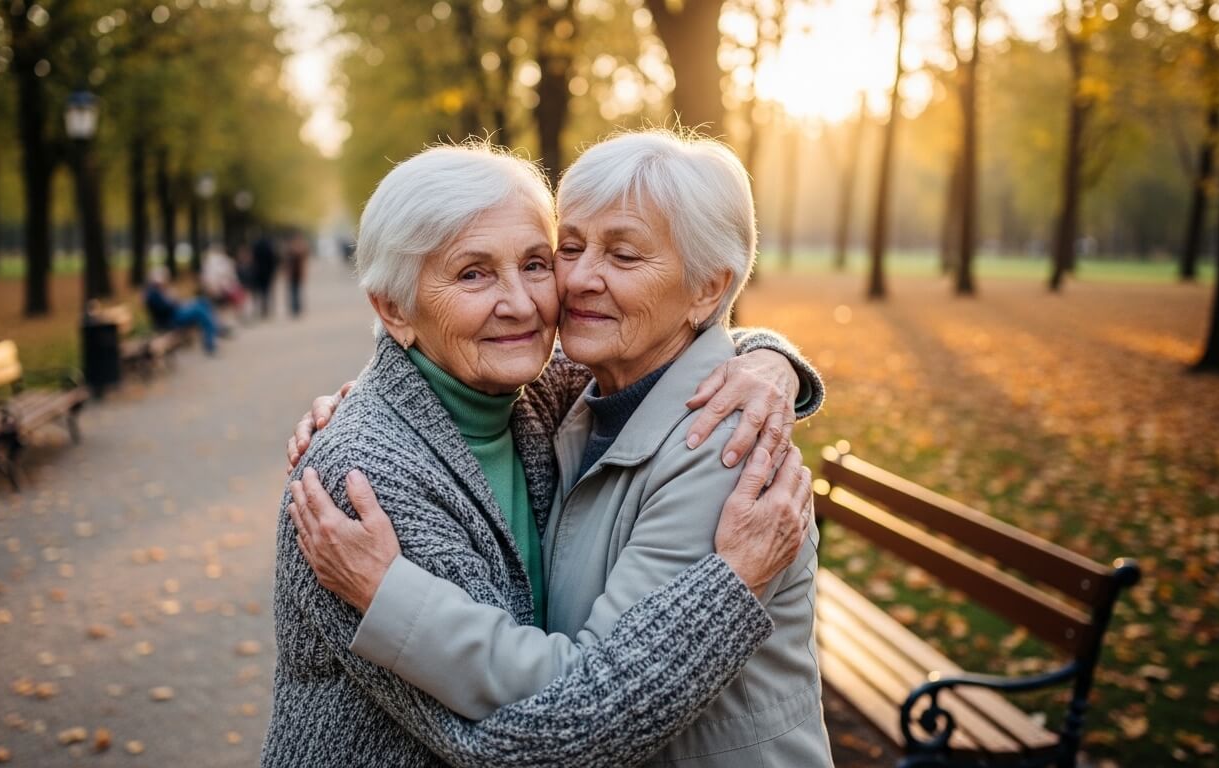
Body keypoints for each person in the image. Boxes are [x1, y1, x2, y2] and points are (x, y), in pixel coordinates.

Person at [262, 138, 826, 768]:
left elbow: (571, 719)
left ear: (708, 288)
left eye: (536, 262)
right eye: (571, 248)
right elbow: (542, 732)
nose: (549, 292)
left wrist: (774, 361)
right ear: (393, 308)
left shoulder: (723, 436)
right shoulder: (371, 478)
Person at [143, 265, 221, 355]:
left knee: (202, 301)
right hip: (170, 320)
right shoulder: (153, 294)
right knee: (199, 311)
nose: (165, 281)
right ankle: (210, 343)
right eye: (163, 278)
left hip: (174, 313)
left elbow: (171, 305)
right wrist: (172, 299)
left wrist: (176, 301)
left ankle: (216, 328)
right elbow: (166, 309)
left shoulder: (158, 291)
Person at [250, 233, 278, 318]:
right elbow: (273, 260)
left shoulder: (256, 246)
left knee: (258, 291)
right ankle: (265, 309)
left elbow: (253, 259)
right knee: (266, 291)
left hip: (257, 271)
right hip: (267, 272)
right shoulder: (269, 247)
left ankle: (258, 308)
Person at [284, 228, 310, 317]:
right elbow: (286, 261)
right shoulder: (290, 248)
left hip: (298, 273)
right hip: (292, 273)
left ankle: (297, 308)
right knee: (292, 291)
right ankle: (294, 308)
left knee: (297, 291)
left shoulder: (302, 247)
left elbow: (305, 259)